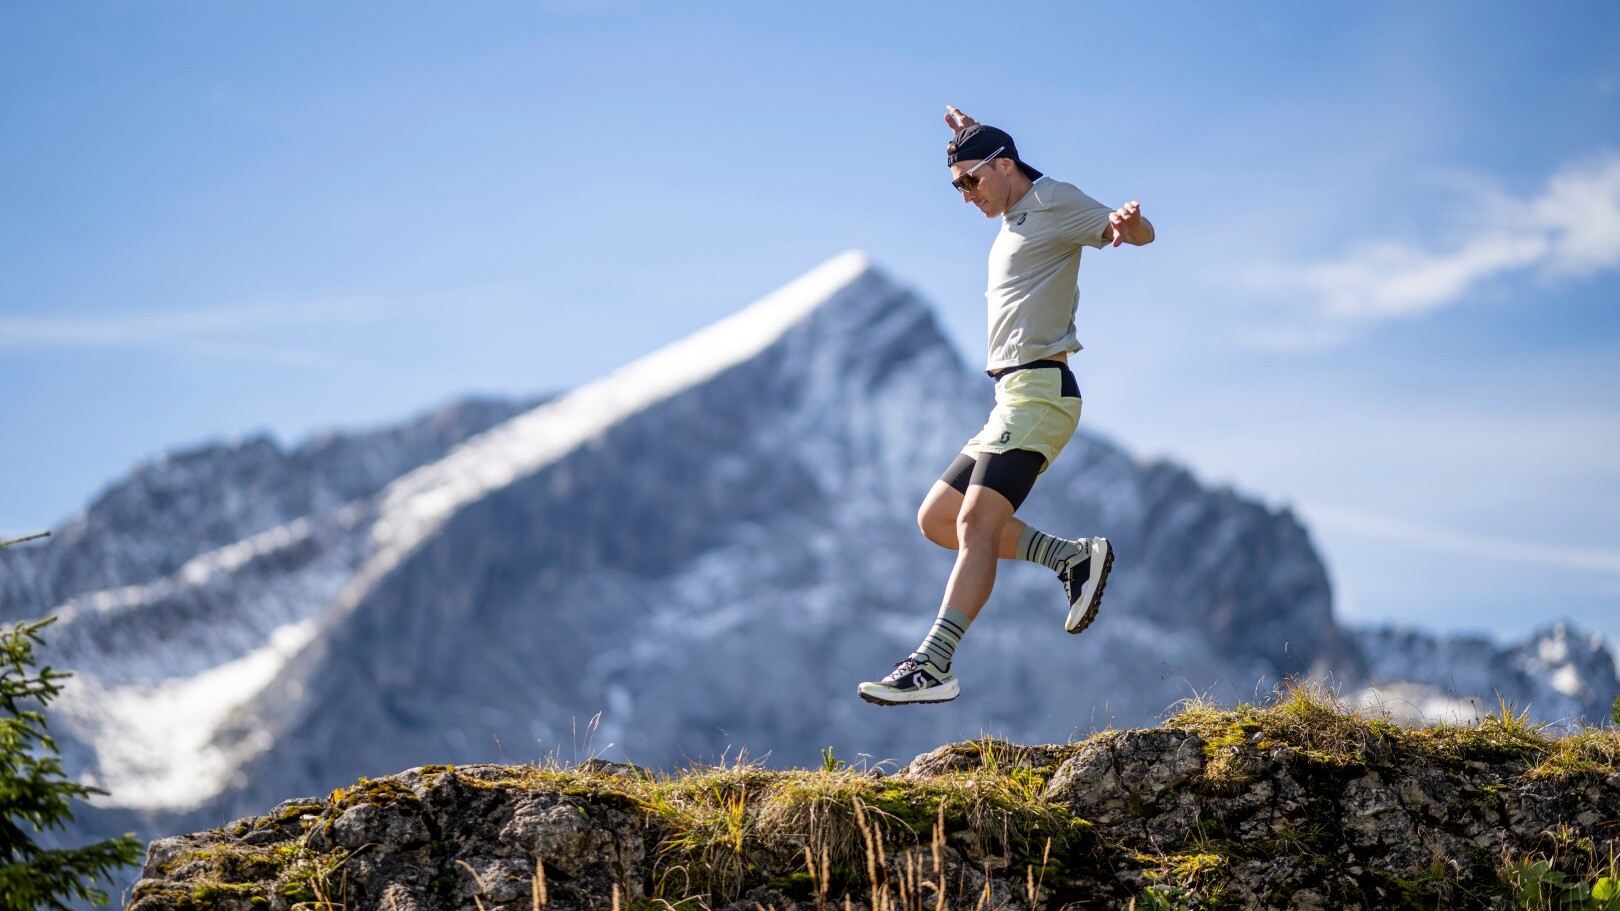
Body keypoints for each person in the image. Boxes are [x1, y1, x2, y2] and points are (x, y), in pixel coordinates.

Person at [858, 106, 1155, 706]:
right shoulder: (1016, 214)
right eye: (955, 186)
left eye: (970, 181)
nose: (964, 196)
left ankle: (933, 663)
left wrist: (1131, 225)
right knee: (938, 519)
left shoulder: (1053, 202)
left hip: (1042, 392)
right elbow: (985, 158)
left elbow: (1132, 235)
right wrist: (969, 139)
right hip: (1013, 397)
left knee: (975, 524)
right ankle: (1071, 559)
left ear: (1006, 165)